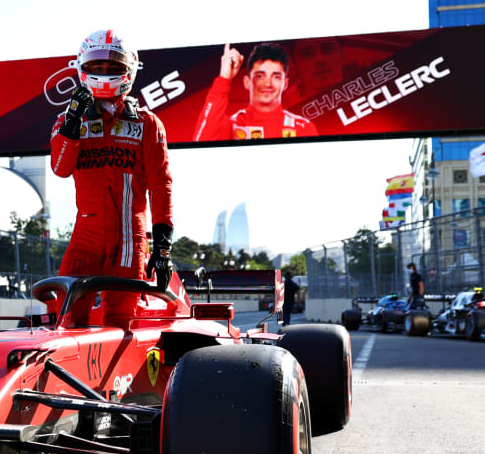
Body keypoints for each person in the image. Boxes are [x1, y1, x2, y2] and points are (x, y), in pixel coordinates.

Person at [51, 29, 173, 328]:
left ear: (129, 70)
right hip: (85, 235)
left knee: (120, 320)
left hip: (130, 238)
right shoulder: (70, 120)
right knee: (65, 316)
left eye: (113, 66)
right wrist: (72, 122)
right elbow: (60, 168)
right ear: (82, 67)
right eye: (97, 66)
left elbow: (161, 185)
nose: (104, 73)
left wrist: (163, 248)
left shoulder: (147, 123)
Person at [192, 42, 318, 142]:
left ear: (285, 84)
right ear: (247, 82)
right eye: (260, 76)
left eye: (276, 77)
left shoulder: (303, 127)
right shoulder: (232, 125)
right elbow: (200, 143)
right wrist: (224, 78)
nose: (267, 84)